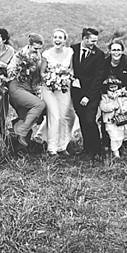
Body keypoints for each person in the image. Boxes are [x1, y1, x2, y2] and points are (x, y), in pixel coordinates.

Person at [7, 33, 47, 151]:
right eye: (35, 48)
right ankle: (21, 132)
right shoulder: (20, 55)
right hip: (17, 87)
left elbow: (37, 78)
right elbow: (10, 71)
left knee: (29, 115)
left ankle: (19, 146)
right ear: (29, 45)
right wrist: (22, 70)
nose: (37, 51)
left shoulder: (38, 56)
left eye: (40, 48)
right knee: (39, 105)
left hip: (29, 89)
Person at [71, 27, 106, 158]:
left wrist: (88, 96)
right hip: (76, 92)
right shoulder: (73, 49)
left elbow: (98, 78)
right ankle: (87, 148)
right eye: (92, 41)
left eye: (96, 41)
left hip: (92, 93)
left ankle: (97, 150)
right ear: (84, 39)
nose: (94, 44)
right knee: (82, 120)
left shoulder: (99, 54)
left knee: (90, 120)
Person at [40, 28, 76, 157]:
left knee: (64, 117)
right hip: (49, 89)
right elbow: (42, 73)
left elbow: (71, 70)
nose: (57, 40)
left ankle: (62, 146)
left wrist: (65, 78)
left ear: (65, 40)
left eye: (60, 37)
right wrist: (51, 79)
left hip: (64, 89)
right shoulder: (46, 54)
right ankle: (51, 148)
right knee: (54, 116)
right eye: (55, 37)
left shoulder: (70, 52)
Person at [99, 76, 127, 159]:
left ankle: (125, 147)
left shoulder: (122, 95)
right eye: (111, 87)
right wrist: (112, 107)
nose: (113, 89)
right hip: (111, 120)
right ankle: (116, 153)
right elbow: (102, 106)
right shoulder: (105, 97)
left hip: (123, 117)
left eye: (115, 86)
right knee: (114, 135)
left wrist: (122, 109)